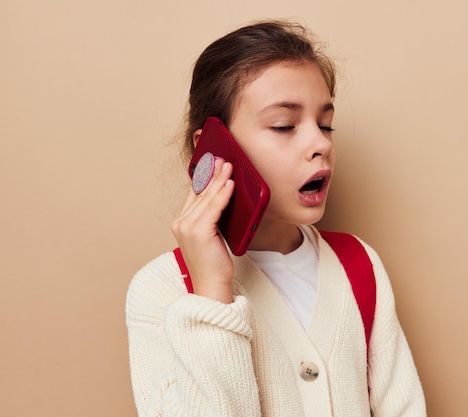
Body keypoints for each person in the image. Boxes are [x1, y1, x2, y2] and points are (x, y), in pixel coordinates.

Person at [126, 20, 426, 417]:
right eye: (284, 125)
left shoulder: (359, 264)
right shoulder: (161, 291)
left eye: (325, 124)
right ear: (213, 150)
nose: (320, 144)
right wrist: (213, 291)